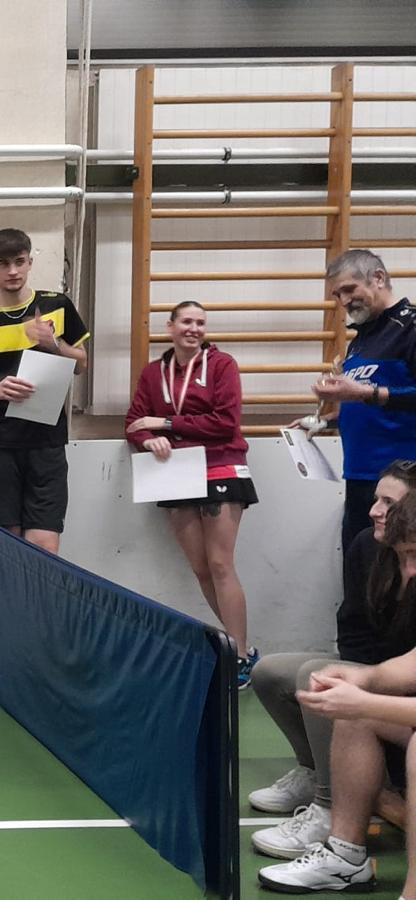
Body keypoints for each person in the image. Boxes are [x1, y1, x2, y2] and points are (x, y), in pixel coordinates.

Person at [248, 460, 416, 859]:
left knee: (330, 687)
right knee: (278, 672)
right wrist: (365, 677)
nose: (374, 510)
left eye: (388, 503)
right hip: (389, 671)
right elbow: (354, 625)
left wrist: (366, 694)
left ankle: (332, 807)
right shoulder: (366, 547)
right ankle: (320, 778)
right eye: (376, 499)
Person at [125, 301, 259, 684]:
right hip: (176, 473)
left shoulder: (221, 365)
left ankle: (239, 655)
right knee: (201, 568)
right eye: (186, 321)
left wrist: (167, 424)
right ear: (170, 326)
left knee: (220, 564)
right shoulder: (154, 373)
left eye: (201, 322)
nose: (194, 328)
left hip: (220, 466)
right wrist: (149, 439)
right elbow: (134, 423)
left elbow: (225, 422)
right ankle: (239, 650)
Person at [0, 228, 90, 554]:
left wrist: (53, 344)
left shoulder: (57, 305)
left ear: (30, 263)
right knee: (4, 544)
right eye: (3, 263)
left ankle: (39, 592)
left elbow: (81, 364)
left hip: (46, 442)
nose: (12, 271)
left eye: (19, 261)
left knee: (44, 544)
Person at [304, 250, 416, 555]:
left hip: (404, 483)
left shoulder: (410, 328)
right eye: (337, 295)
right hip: (360, 478)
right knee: (359, 568)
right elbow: (366, 404)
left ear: (378, 278)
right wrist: (325, 421)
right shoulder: (362, 339)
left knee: (398, 572)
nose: (343, 301)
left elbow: (370, 395)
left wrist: (366, 393)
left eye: (349, 289)